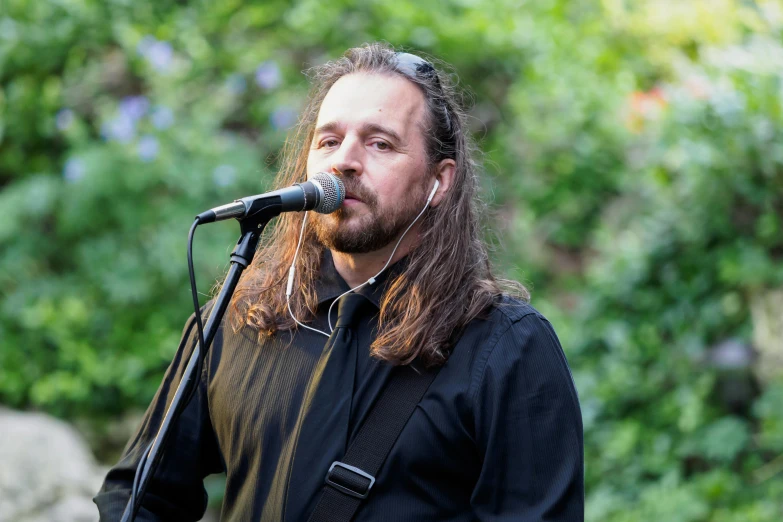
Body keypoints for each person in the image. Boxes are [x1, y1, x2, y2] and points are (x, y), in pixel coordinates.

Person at [94, 42, 584, 521]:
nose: (343, 161)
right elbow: (138, 497)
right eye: (328, 140)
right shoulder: (237, 318)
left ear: (441, 181)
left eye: (379, 143)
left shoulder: (507, 347)